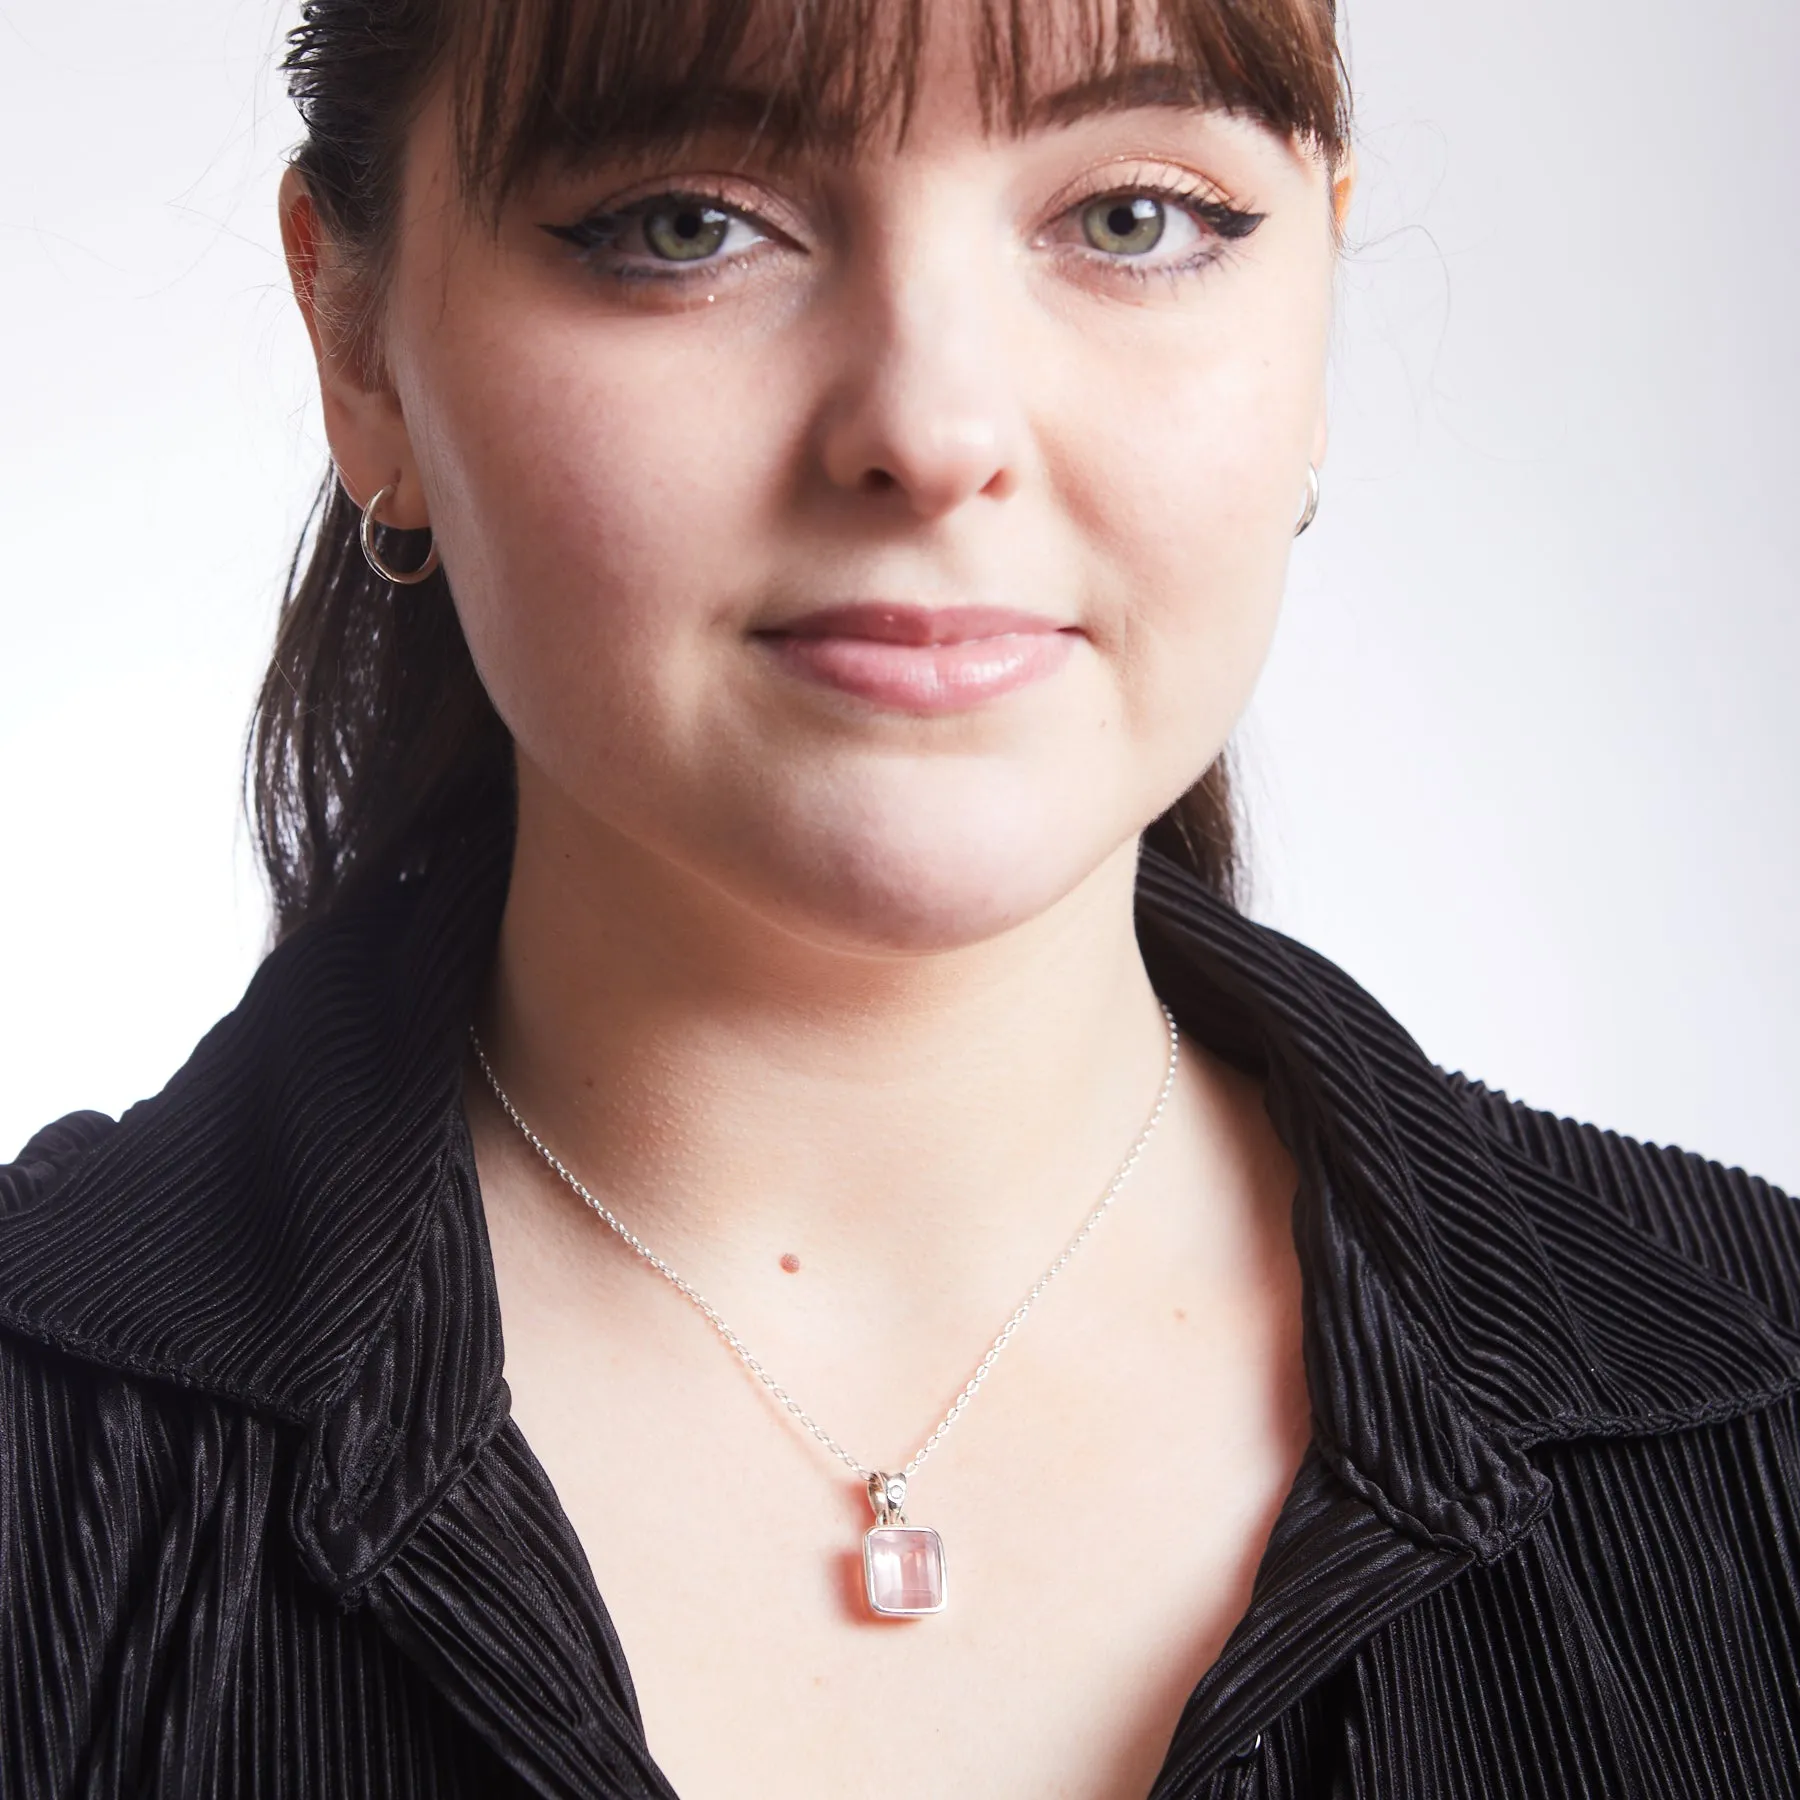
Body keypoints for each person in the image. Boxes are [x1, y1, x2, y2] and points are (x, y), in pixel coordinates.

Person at [3, 0, 1797, 1794]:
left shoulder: (1762, 1409)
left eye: (1133, 218)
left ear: (1315, 299)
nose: (933, 434)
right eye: (686, 221)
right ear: (357, 339)